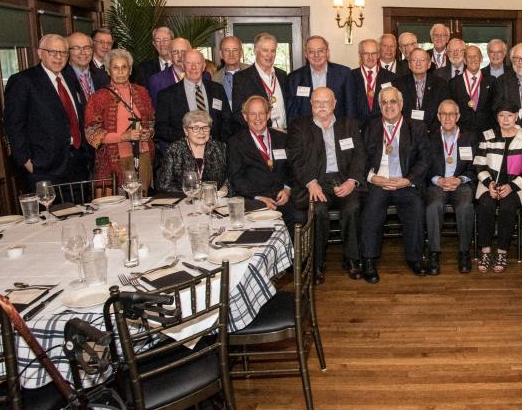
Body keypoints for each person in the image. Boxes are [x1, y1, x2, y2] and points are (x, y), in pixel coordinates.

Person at [288, 87, 366, 283]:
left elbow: (359, 156)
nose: (322, 106)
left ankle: (352, 260)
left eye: (326, 102)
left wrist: (352, 181)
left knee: (352, 208)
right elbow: (296, 159)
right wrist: (310, 183)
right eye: (317, 102)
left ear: (334, 104)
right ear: (311, 104)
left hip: (343, 181)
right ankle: (317, 263)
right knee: (318, 211)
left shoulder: (349, 125)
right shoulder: (299, 126)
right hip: (316, 183)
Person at [358, 87, 431, 283]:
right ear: (379, 106)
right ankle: (368, 260)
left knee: (415, 207)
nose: (389, 106)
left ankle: (415, 258)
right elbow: (360, 158)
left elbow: (425, 159)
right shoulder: (371, 127)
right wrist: (372, 177)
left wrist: (407, 180)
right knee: (371, 208)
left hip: (404, 181)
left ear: (401, 104)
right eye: (384, 102)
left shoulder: (416, 127)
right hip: (378, 181)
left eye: (393, 102)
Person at [4, 34, 91, 189]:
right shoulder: (23, 81)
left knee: (82, 212)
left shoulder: (69, 78)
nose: (58, 57)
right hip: (44, 168)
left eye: (63, 53)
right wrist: (26, 161)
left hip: (78, 164)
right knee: (50, 213)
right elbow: (13, 125)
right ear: (40, 53)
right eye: (52, 52)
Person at [474, 101, 522, 274]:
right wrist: (489, 184)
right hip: (489, 185)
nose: (506, 119)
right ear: (497, 118)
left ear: (516, 116)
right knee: (486, 204)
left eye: (510, 115)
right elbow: (479, 165)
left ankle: (502, 252)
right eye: (502, 115)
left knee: (508, 206)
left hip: (516, 187)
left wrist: (512, 186)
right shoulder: (487, 136)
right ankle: (485, 252)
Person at [84, 48, 156, 194]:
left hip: (143, 155)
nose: (120, 71)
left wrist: (148, 133)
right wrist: (123, 137)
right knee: (119, 205)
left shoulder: (141, 92)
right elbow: (92, 134)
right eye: (115, 68)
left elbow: (151, 121)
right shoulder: (98, 97)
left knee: (142, 203)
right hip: (114, 160)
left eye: (124, 67)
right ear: (108, 71)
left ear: (130, 70)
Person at [227, 95, 302, 233]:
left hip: (283, 199)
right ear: (245, 116)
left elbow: (293, 168)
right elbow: (236, 178)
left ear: (268, 115)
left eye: (261, 113)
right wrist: (259, 198)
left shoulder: (283, 138)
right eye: (252, 114)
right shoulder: (235, 142)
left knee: (300, 217)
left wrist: (287, 189)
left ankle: (293, 255)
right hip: (254, 200)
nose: (257, 118)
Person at [424, 100, 478, 275]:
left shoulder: (469, 137)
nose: (448, 118)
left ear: (458, 116)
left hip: (461, 183)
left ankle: (464, 252)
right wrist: (438, 180)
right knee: (433, 206)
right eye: (444, 114)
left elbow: (475, 167)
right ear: (438, 117)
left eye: (451, 114)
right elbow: (423, 165)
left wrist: (460, 179)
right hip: (437, 184)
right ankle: (434, 252)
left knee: (465, 207)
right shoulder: (429, 137)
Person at [156, 49, 232, 148]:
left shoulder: (217, 89)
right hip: (183, 152)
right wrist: (190, 138)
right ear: (183, 66)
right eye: (189, 63)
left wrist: (220, 144)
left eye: (198, 63)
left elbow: (227, 120)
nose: (194, 67)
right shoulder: (167, 94)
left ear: (204, 66)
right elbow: (161, 128)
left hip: (215, 151)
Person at [156, 109, 228, 193]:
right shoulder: (174, 150)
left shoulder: (220, 148)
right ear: (186, 131)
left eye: (205, 127)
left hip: (214, 200)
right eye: (195, 128)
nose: (202, 132)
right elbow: (164, 185)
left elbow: (230, 178)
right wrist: (192, 192)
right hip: (184, 201)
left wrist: (225, 189)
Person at [232, 32, 289, 131]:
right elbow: (238, 113)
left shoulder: (282, 75)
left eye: (273, 51)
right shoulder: (242, 78)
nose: (269, 55)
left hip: (284, 134)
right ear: (255, 51)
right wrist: (264, 130)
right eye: (265, 50)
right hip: (258, 136)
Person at [287, 35, 354, 119]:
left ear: (327, 52)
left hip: (338, 129)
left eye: (320, 51)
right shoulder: (294, 78)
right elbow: (292, 113)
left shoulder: (344, 74)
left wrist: (350, 130)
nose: (316, 55)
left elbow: (350, 107)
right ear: (306, 54)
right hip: (306, 130)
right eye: (311, 51)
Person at [395, 47, 450, 133]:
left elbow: (443, 111)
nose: (418, 63)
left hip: (432, 134)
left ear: (428, 65)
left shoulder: (440, 84)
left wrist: (431, 131)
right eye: (414, 60)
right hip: (406, 134)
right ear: (409, 64)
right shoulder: (399, 84)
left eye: (422, 60)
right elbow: (397, 112)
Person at [348, 39, 397, 128]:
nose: (370, 57)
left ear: (378, 55)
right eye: (366, 54)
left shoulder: (391, 78)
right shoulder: (349, 77)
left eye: (374, 53)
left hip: (382, 129)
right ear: (360, 55)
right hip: (357, 130)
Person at [449, 44, 496, 134]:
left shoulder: (491, 81)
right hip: (462, 132)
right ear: (465, 60)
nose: (473, 59)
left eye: (476, 56)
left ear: (481, 59)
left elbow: (494, 108)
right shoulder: (454, 83)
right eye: (469, 57)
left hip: (486, 132)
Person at [148, 37, 198, 108]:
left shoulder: (204, 76)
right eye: (175, 52)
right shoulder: (157, 80)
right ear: (170, 56)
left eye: (183, 51)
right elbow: (158, 111)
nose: (180, 56)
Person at [63, 32, 109, 102]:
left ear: (92, 50)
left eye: (87, 48)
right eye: (76, 48)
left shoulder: (103, 76)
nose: (83, 52)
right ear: (67, 51)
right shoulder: (62, 78)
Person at [213, 36, 246, 105]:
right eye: (227, 50)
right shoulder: (215, 79)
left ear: (241, 53)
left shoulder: (253, 72)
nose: (231, 54)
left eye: (235, 50)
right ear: (221, 54)